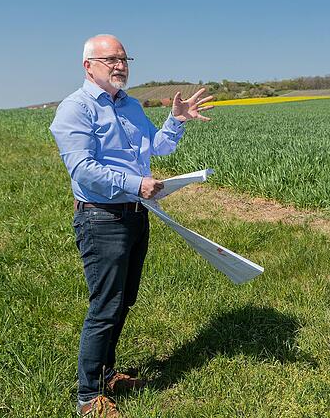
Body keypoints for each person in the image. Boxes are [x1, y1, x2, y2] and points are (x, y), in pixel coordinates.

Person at [50, 34, 214, 417]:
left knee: (125, 299)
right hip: (102, 217)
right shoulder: (75, 109)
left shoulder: (131, 105)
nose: (120, 65)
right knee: (105, 305)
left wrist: (175, 121)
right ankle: (89, 397)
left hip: (137, 214)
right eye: (111, 59)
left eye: (124, 58)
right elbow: (82, 170)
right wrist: (134, 183)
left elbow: (157, 147)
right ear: (88, 66)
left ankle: (107, 375)